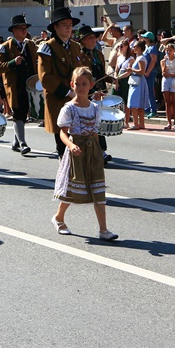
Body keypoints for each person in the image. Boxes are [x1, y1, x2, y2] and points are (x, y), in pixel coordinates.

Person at [51, 66, 117, 241]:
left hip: (93, 150)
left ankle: (103, 230)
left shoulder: (95, 108)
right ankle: (58, 218)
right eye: (77, 83)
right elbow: (63, 133)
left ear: (91, 85)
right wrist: (71, 145)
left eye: (84, 84)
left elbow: (95, 133)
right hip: (77, 150)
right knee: (73, 189)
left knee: (98, 189)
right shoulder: (69, 108)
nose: (80, 87)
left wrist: (99, 151)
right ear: (72, 84)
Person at [37, 7, 84, 158]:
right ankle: (64, 177)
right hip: (58, 99)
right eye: (64, 24)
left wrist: (89, 88)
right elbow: (45, 77)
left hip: (76, 100)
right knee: (62, 143)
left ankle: (74, 177)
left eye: (70, 25)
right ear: (55, 27)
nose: (69, 28)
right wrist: (68, 92)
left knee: (77, 140)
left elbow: (81, 72)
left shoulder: (76, 47)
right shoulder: (47, 47)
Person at [0, 15, 37, 154]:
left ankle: (16, 141)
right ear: (13, 30)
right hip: (14, 85)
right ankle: (23, 143)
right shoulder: (4, 47)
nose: (24, 31)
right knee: (18, 113)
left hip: (29, 85)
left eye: (25, 28)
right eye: (20, 28)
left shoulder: (30, 44)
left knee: (24, 113)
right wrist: (13, 62)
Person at [75, 25, 112, 161]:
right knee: (88, 122)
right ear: (83, 40)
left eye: (94, 38)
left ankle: (101, 151)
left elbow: (103, 74)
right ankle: (93, 151)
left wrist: (113, 79)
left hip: (100, 92)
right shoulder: (79, 56)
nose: (93, 40)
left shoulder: (99, 54)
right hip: (88, 93)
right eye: (90, 38)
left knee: (98, 122)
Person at [125, 41, 149, 130]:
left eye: (135, 47)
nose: (133, 48)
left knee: (133, 103)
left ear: (139, 48)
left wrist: (131, 69)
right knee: (139, 104)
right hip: (137, 81)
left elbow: (142, 71)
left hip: (138, 82)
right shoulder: (139, 58)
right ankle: (141, 123)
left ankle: (136, 123)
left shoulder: (141, 58)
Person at [161, 40, 175, 130]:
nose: (168, 52)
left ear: (174, 51)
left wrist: (171, 75)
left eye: (170, 50)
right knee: (167, 102)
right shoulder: (163, 61)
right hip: (166, 81)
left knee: (174, 102)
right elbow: (163, 72)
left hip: (174, 81)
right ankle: (169, 122)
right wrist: (165, 62)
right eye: (167, 50)